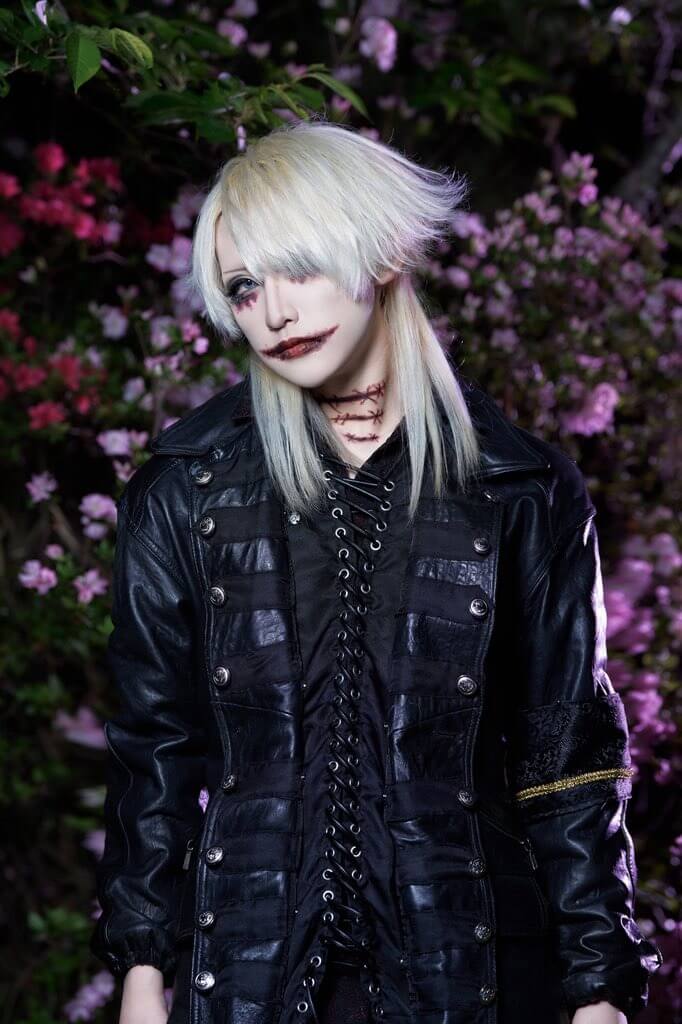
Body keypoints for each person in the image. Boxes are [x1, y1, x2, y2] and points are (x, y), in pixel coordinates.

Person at [90, 119, 663, 1024]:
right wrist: (141, 974)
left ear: (385, 250)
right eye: (244, 287)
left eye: (299, 268)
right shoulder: (185, 488)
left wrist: (598, 991)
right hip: (243, 974)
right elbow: (152, 752)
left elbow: (568, 759)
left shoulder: (519, 488)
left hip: (469, 972)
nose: (273, 312)